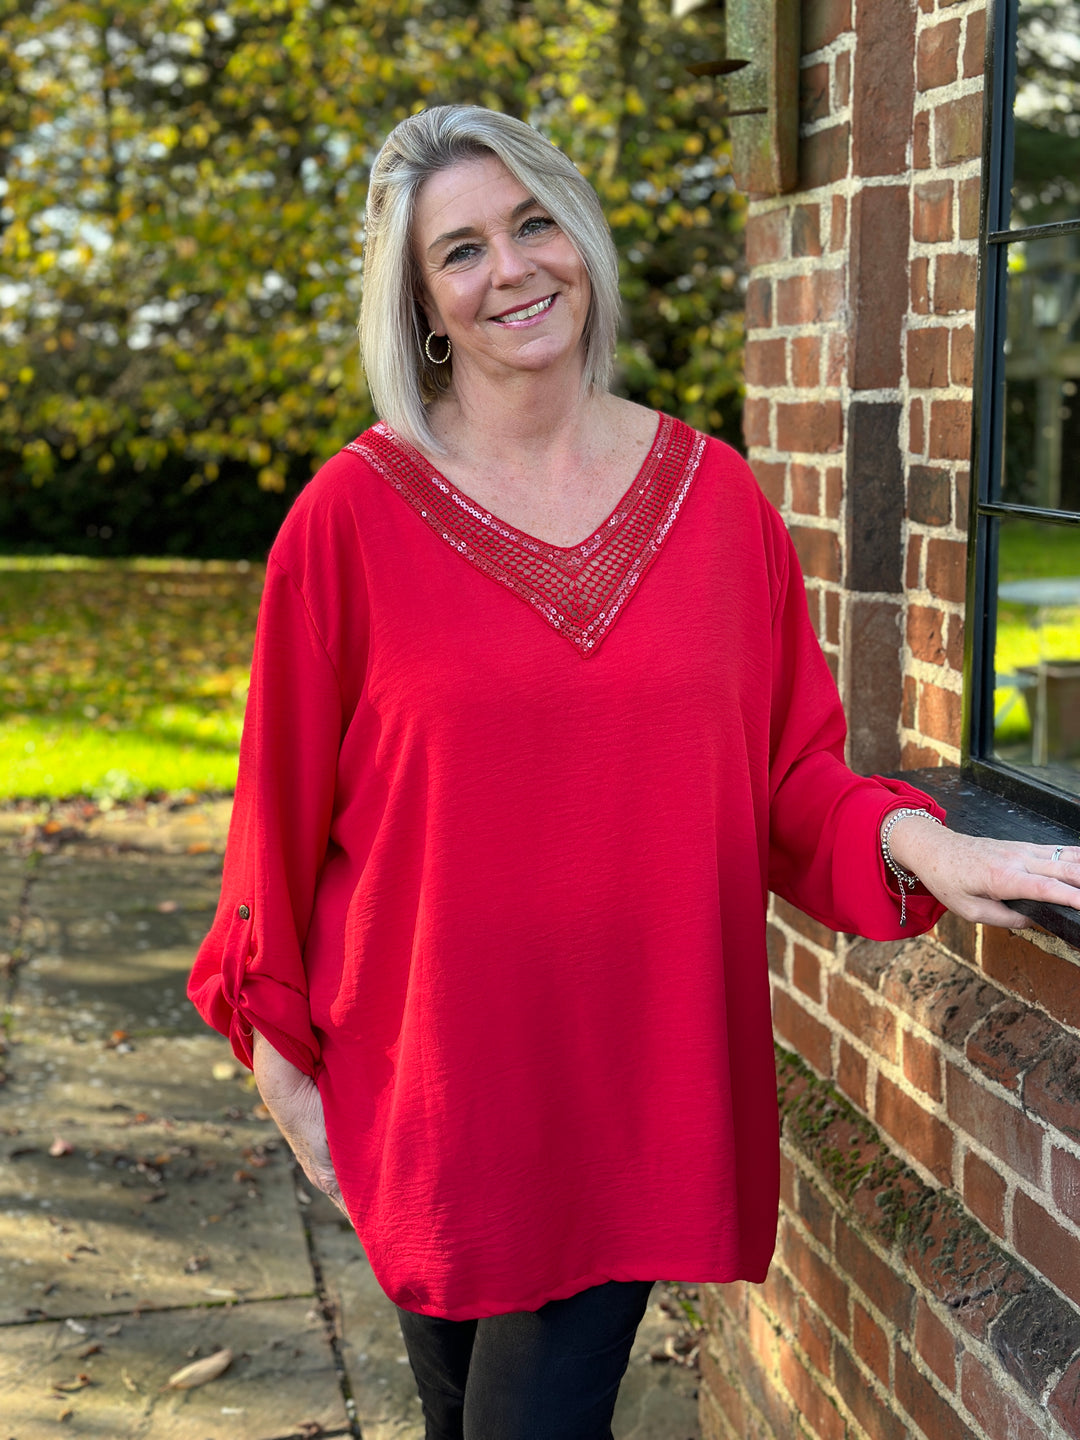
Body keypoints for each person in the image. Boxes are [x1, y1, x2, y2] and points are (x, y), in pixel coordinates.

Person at [188, 105, 1080, 1440]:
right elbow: (278, 813)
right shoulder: (351, 519)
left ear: (582, 240)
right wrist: (279, 1051)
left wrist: (923, 844)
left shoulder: (716, 502)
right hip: (424, 1079)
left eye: (533, 222)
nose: (512, 269)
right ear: (425, 304)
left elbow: (785, 777)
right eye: (463, 251)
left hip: (624, 1078)